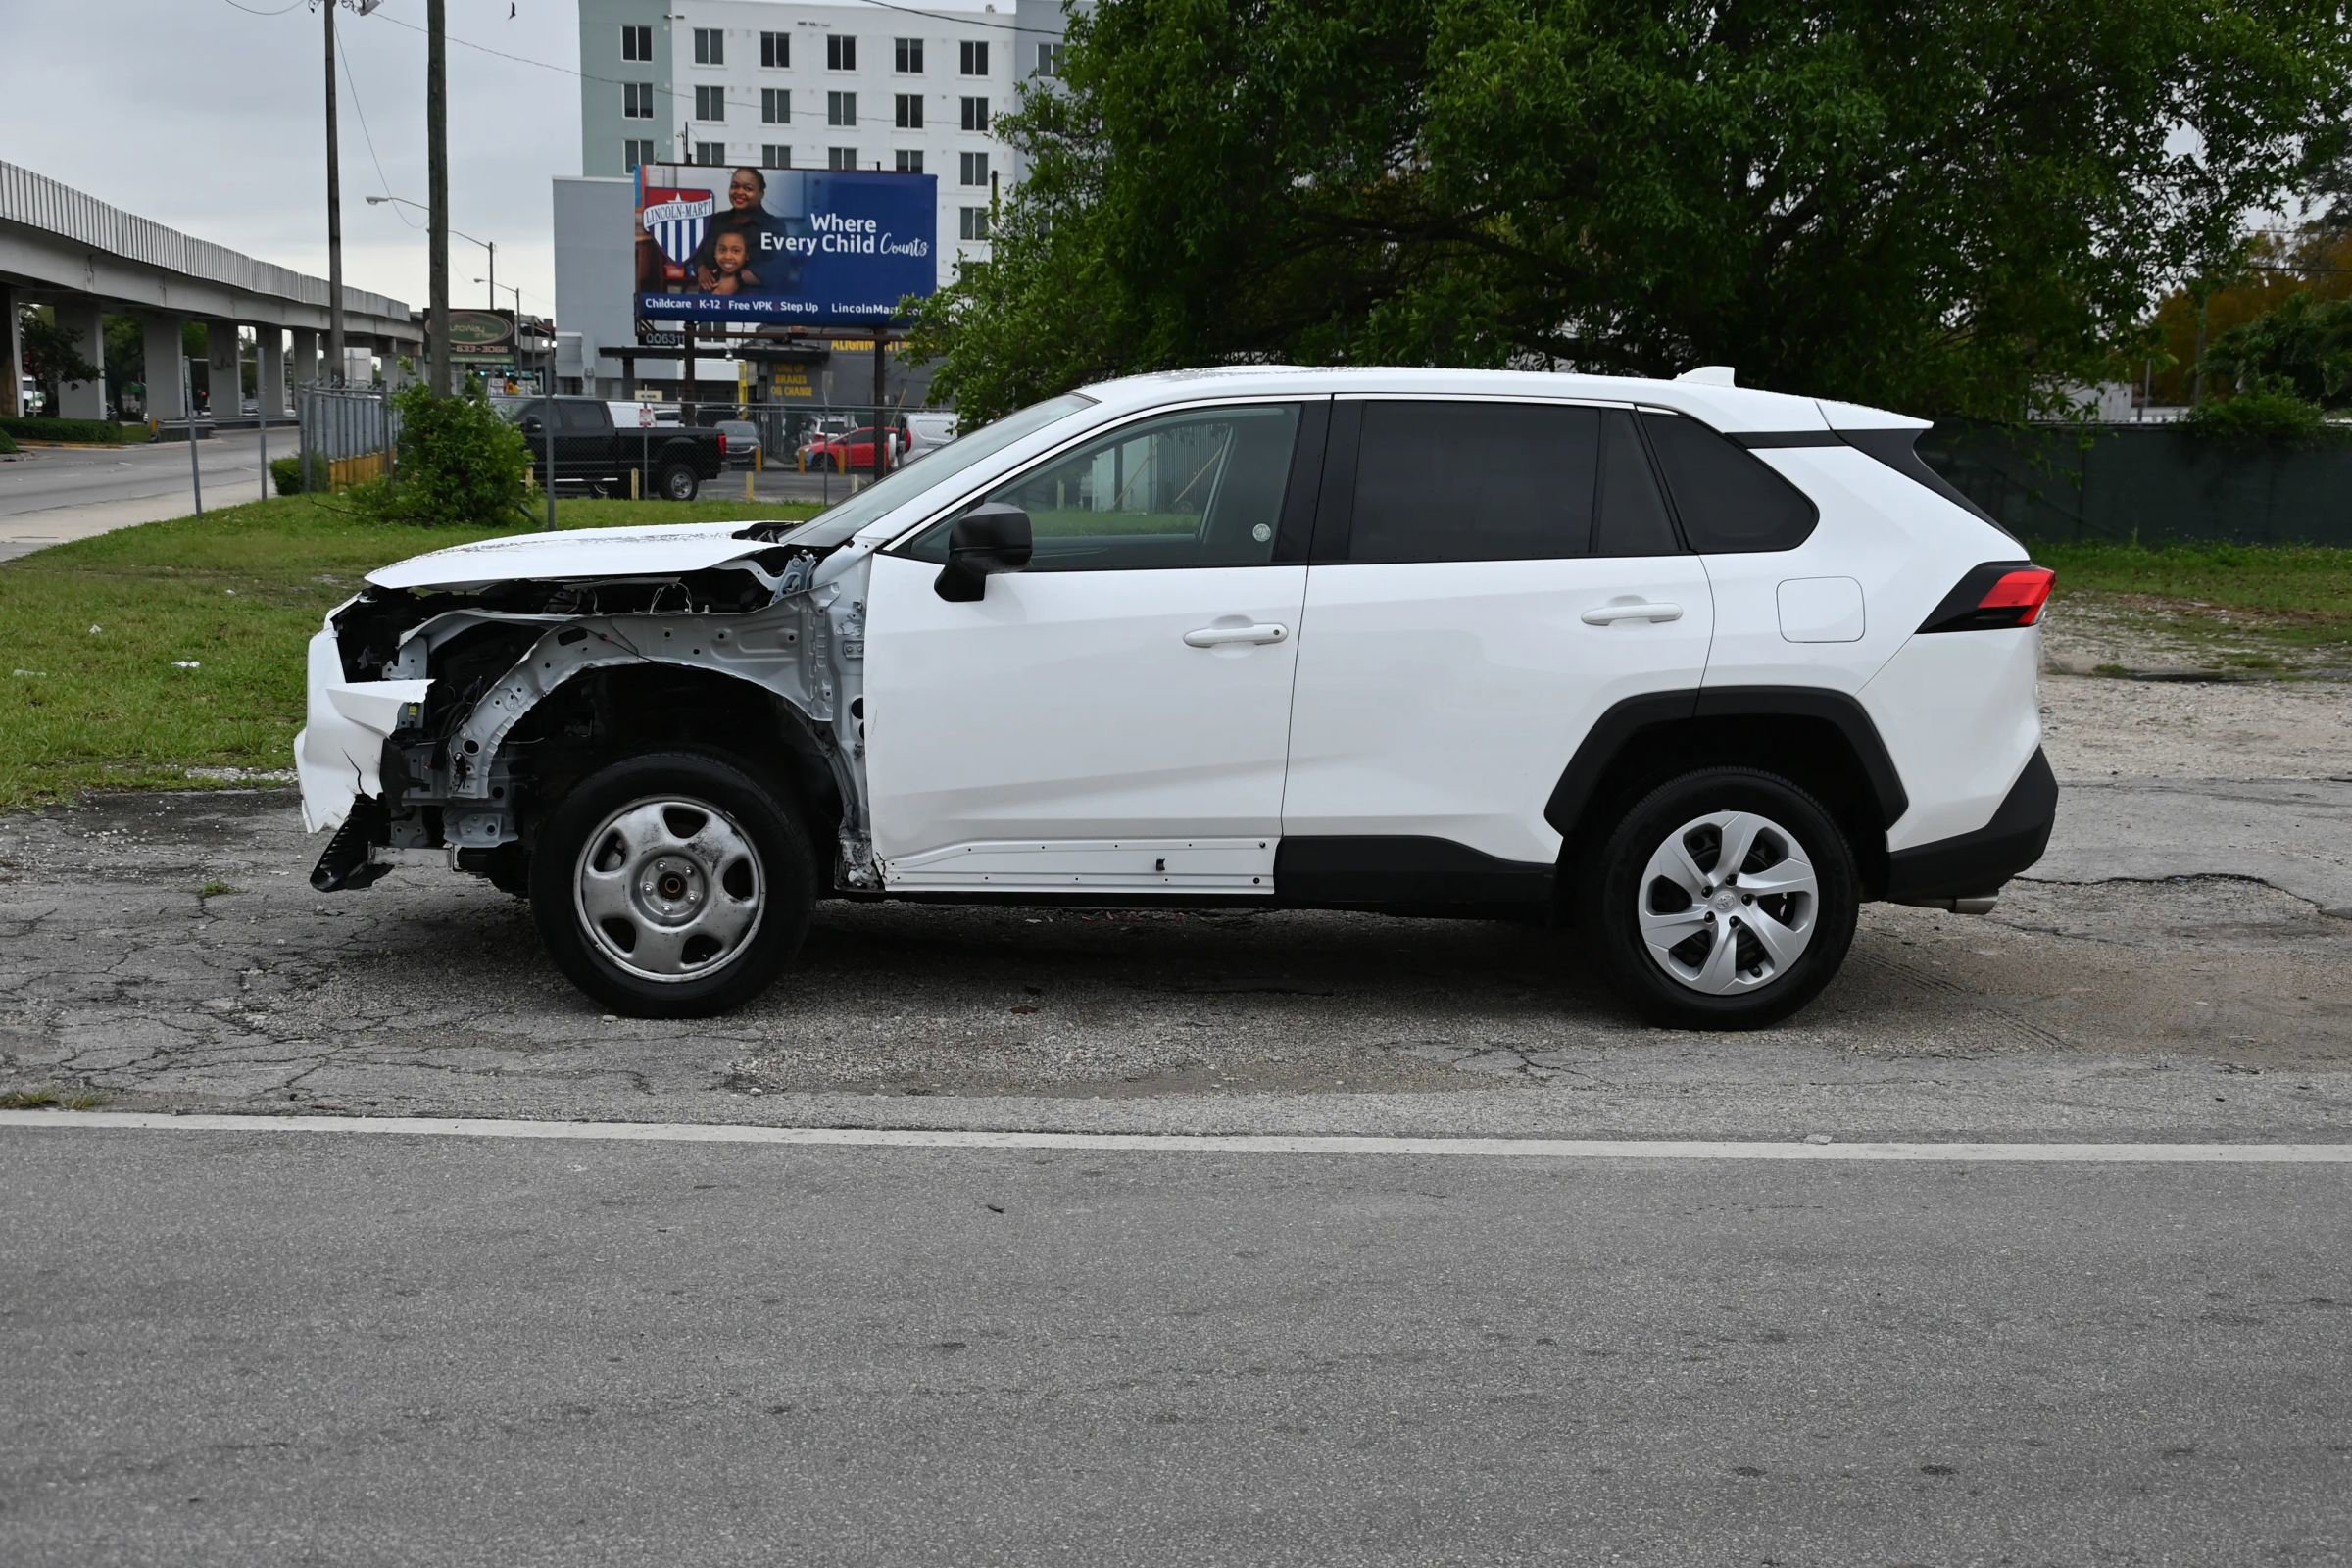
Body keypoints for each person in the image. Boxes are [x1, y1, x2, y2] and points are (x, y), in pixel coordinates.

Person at [691, 167, 782, 292]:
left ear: (761, 194)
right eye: (735, 186)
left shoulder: (773, 225)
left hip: (751, 306)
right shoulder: (717, 220)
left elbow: (779, 269)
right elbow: (698, 251)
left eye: (748, 188)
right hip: (710, 303)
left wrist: (737, 279)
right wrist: (701, 270)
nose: (739, 192)